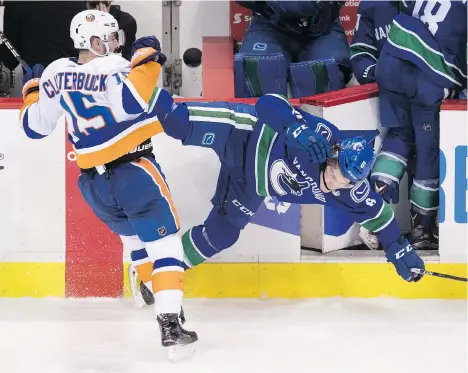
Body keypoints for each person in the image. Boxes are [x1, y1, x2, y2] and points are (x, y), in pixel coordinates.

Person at [132, 90, 425, 307]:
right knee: (176, 121)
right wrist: (294, 129)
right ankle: (130, 88)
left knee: (221, 234)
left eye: (346, 180)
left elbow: (380, 215)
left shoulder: (351, 191)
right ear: (334, 153)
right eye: (337, 171)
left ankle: (158, 271)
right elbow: (268, 102)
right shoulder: (319, 137)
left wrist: (399, 250)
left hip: (249, 183)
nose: (337, 181)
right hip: (241, 134)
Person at [18, 9, 197, 349]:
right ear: (94, 41)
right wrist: (150, 60)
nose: (117, 44)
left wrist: (32, 89)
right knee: (167, 245)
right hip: (133, 172)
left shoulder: (57, 71)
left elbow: (33, 127)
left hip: (94, 186)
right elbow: (132, 101)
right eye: (111, 38)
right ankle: (171, 321)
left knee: (135, 243)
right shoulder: (115, 66)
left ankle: (160, 294)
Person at [369, 0, 467, 249]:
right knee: (427, 152)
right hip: (427, 78)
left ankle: (370, 218)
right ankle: (422, 229)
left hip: (391, 64)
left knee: (399, 137)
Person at [349, 1, 401, 250]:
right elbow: (360, 52)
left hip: (433, 93)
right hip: (396, 96)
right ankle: (374, 220)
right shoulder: (373, 5)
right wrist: (376, 74)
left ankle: (427, 223)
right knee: (400, 142)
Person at [234, 1, 351, 98]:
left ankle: (313, 126)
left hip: (322, 29)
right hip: (270, 25)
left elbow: (307, 5)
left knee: (326, 74)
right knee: (258, 70)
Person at [0, 1, 86, 70]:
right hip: (75, 82)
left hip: (38, 85)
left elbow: (10, 60)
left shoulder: (15, 3)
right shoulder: (79, 3)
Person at [350, 1, 400, 85]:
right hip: (387, 88)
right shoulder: (370, 4)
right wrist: (377, 74)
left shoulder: (425, 5)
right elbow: (361, 52)